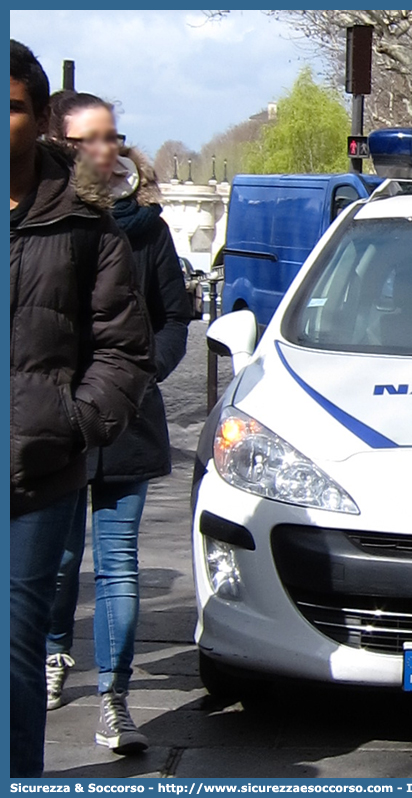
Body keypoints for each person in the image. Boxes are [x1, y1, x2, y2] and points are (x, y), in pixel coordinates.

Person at [10, 40, 153, 778]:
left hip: (45, 460)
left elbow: (135, 341)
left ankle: (107, 699)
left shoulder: (99, 225)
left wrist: (75, 420)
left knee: (20, 643)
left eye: (10, 107)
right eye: (89, 137)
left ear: (34, 120)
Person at [44, 91, 192, 754]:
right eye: (89, 140)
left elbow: (174, 319)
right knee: (55, 560)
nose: (106, 151)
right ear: (58, 146)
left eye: (112, 138)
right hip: (52, 422)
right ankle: (50, 654)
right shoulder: (40, 224)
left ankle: (114, 697)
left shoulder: (147, 230)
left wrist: (136, 379)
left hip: (126, 419)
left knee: (118, 565)